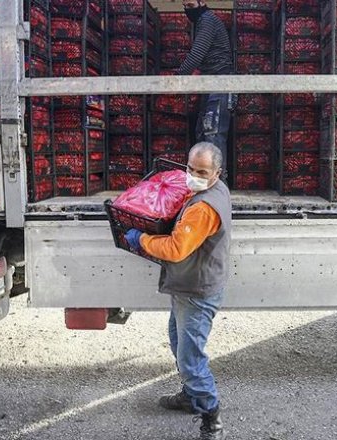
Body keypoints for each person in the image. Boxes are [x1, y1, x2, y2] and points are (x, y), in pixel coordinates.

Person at [124, 142, 232, 440]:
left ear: (216, 173)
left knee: (190, 359)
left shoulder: (204, 208)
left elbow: (175, 248)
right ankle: (190, 396)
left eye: (202, 172)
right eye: (191, 168)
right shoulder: (216, 189)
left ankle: (212, 419)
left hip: (196, 290)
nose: (194, 176)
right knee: (177, 339)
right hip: (190, 283)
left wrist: (141, 238)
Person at [177, 0, 235, 172]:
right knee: (203, 133)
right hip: (210, 83)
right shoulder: (203, 21)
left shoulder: (208, 20)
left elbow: (196, 54)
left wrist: (177, 78)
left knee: (213, 135)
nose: (187, 10)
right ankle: (204, 178)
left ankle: (218, 181)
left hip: (220, 82)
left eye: (190, 5)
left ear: (202, 2)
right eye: (185, 6)